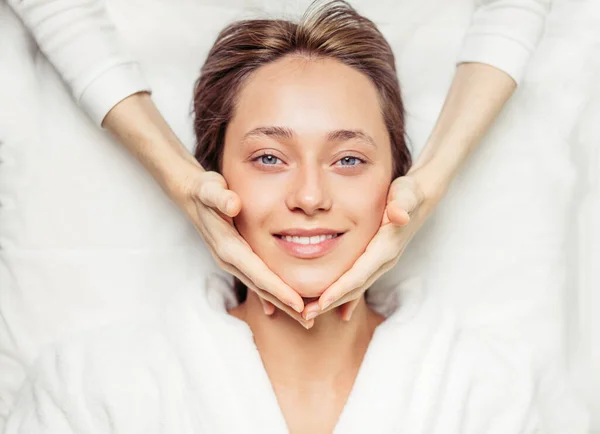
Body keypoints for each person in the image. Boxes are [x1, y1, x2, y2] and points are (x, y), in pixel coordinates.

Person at [5, 2, 589, 433]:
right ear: (212, 179)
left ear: (399, 181)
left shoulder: (496, 397)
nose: (310, 195)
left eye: (350, 159)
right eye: (267, 157)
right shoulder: (92, 390)